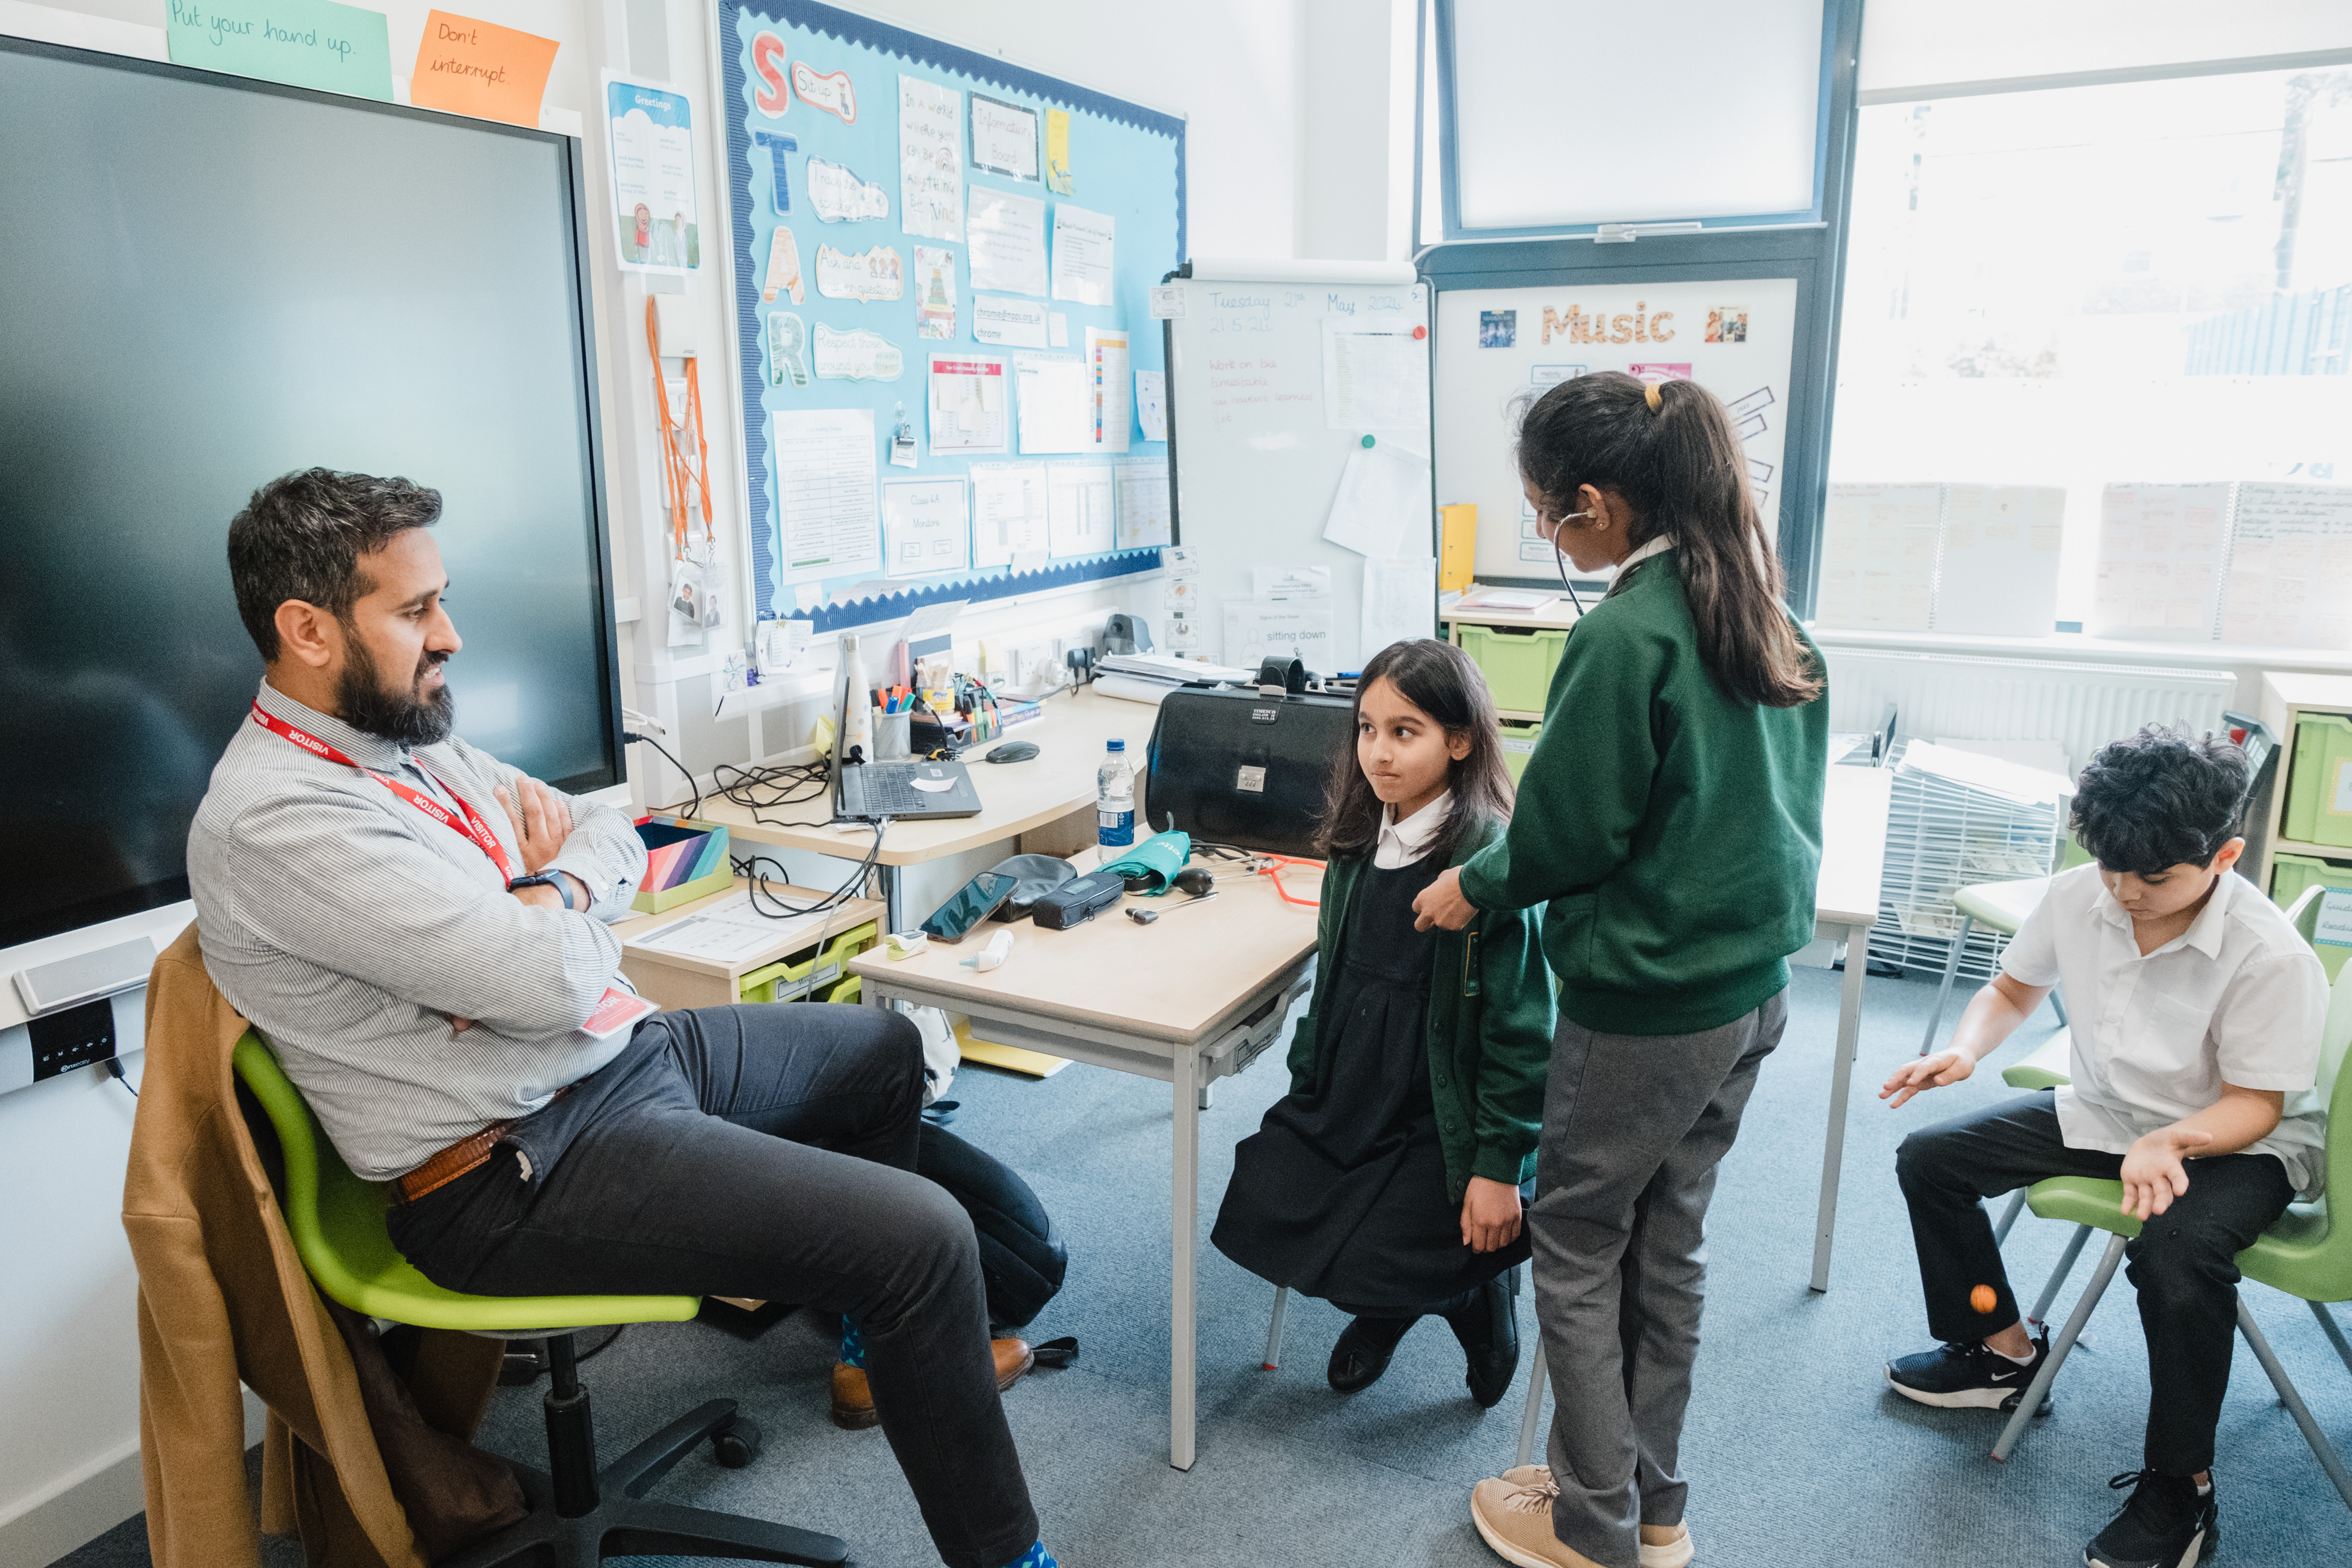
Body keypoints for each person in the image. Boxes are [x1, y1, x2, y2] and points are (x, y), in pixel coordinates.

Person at [186, 468, 1057, 1568]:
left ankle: (868, 1351)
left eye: (441, 598)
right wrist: (545, 912)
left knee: (885, 1053)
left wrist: (547, 901)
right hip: (509, 1166)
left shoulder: (399, 735)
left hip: (605, 1057)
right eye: (414, 611)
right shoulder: (277, 820)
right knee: (921, 1237)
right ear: (306, 630)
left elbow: (612, 828)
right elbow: (549, 973)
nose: (449, 635)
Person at [1413, 373, 1829, 1568]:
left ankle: (1592, 1525)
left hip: (1649, 1007)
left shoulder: (1625, 635)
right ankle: (1653, 1507)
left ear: (1596, 503)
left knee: (1581, 1245)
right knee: (1668, 1244)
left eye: (1547, 513)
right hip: (1751, 997)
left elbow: (1571, 834)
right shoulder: (1771, 615)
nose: (1546, 535)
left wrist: (1474, 883)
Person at [1880, 726, 2325, 1568]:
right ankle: (2002, 1350)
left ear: (2225, 854)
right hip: (2111, 1114)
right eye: (2112, 867)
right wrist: (1969, 1049)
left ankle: (2180, 1485)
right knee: (1930, 1160)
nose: (2125, 891)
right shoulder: (2085, 892)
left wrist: (2177, 1139)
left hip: (2231, 1143)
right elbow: (2015, 986)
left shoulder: (2269, 955)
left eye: (2153, 876)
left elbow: (2257, 1105)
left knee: (2176, 1257)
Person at [1210, 638, 1555, 1406]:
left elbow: (1523, 1031)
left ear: (1460, 741)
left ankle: (1473, 1302)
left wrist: (1499, 1165)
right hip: (1354, 1085)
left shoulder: (1489, 858)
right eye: (1367, 728)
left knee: (1410, 1241)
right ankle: (1391, 1306)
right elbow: (1335, 974)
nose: (1379, 752)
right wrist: (1307, 1079)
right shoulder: (1359, 840)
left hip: (1442, 1107)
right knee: (1270, 1204)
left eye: (1406, 732)